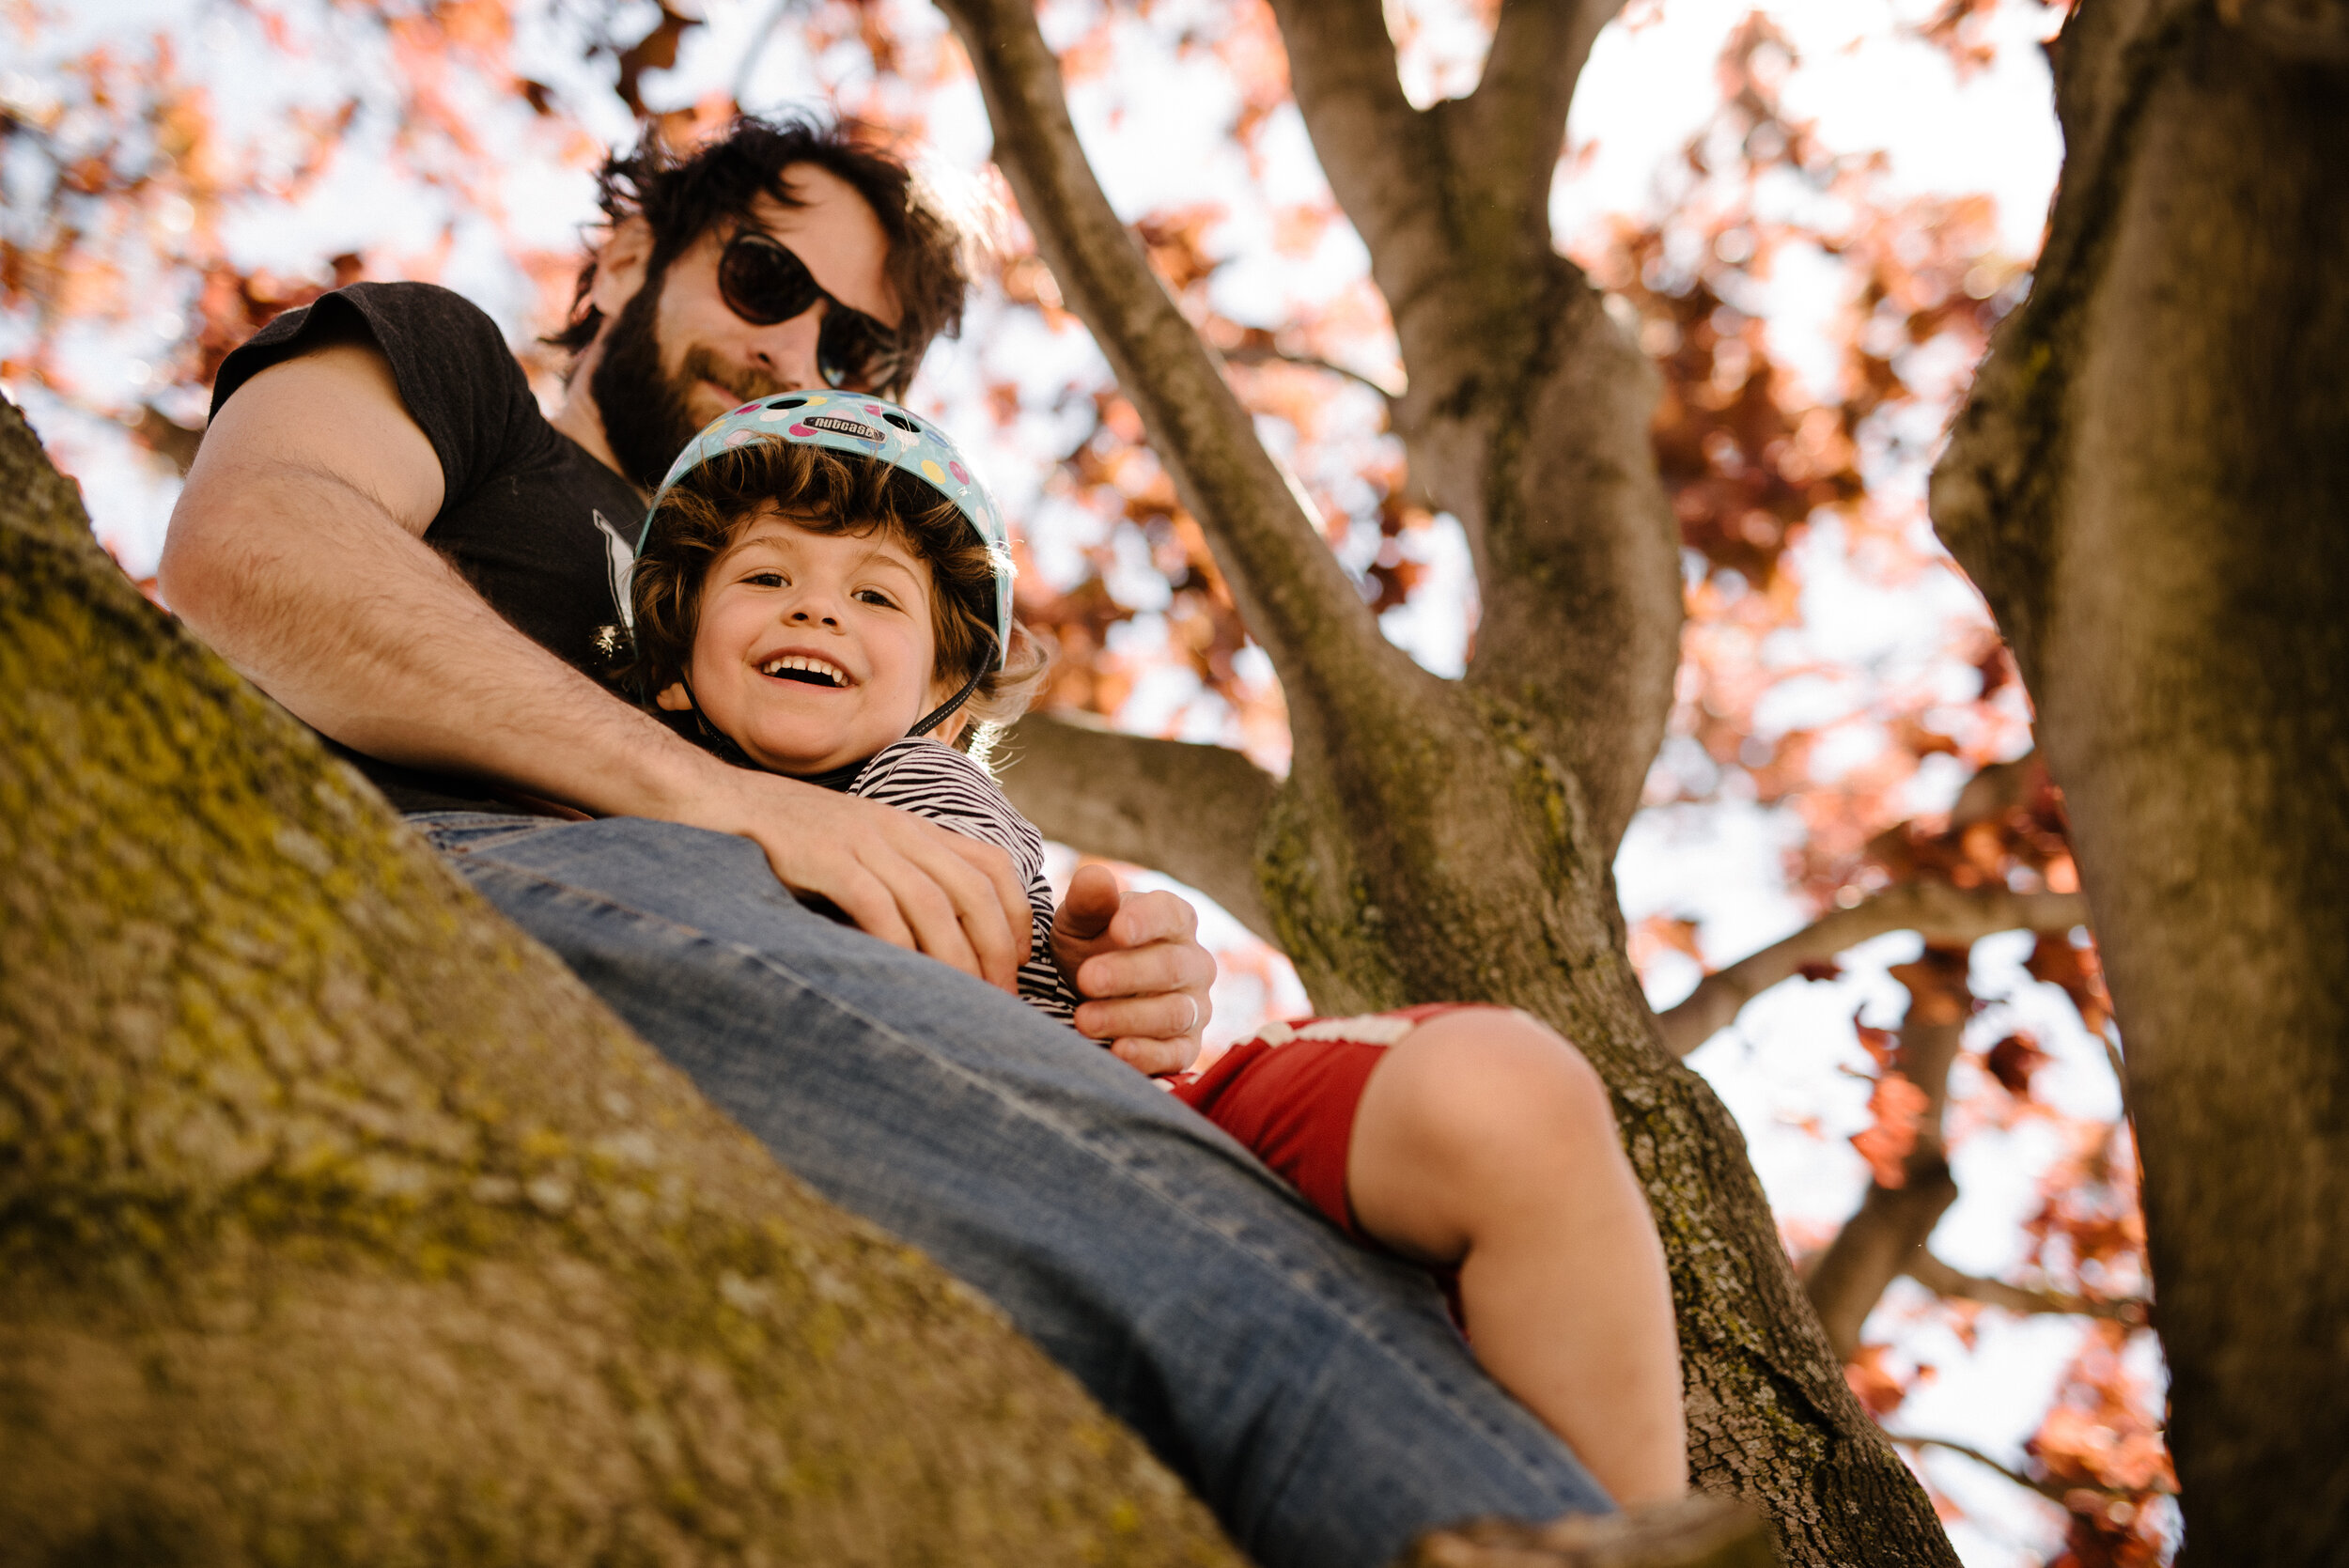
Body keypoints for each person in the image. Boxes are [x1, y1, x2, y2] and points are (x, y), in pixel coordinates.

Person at [157, 114, 1709, 1566]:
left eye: (861, 346)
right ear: (630, 259)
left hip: (892, 1024)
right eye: (765, 279)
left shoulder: (866, 682)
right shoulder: (457, 377)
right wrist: (737, 803)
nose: (796, 348)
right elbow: (250, 550)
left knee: (1478, 1114)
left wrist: (1108, 959)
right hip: (499, 890)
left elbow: (986, 892)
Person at [621, 393, 1688, 1506]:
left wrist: (1083, 954)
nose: (818, 611)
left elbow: (966, 940)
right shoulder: (625, 831)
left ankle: (1637, 1526)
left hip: (1149, 1120)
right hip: (973, 1188)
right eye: (765, 578)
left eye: (874, 592)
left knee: (1504, 1093)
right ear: (676, 660)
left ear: (944, 693)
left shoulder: (914, 784)